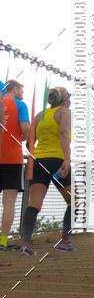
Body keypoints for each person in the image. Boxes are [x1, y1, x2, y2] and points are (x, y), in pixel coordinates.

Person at [20, 86, 72, 256]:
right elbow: (64, 133)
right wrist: (67, 159)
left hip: (38, 162)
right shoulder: (65, 112)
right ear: (64, 100)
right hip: (57, 161)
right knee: (75, 201)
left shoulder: (39, 115)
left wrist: (34, 158)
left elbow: (29, 143)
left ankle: (26, 245)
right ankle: (64, 242)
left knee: (33, 203)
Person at [0, 81, 30, 251]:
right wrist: (22, 138)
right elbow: (25, 127)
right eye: (22, 89)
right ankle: (2, 241)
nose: (23, 94)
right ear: (15, 88)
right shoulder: (20, 105)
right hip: (12, 159)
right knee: (9, 202)